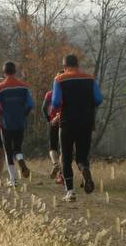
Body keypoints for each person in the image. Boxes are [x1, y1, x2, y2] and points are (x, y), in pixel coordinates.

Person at [52, 54, 103, 202]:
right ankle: (85, 170)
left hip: (67, 122)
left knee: (66, 157)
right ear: (78, 64)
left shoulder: (59, 79)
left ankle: (70, 191)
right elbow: (99, 99)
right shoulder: (89, 78)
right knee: (81, 157)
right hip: (86, 122)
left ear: (64, 66)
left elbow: (55, 102)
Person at [0, 61, 34, 187]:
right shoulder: (24, 86)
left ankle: (13, 179)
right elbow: (30, 104)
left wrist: (2, 112)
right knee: (18, 148)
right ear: (15, 71)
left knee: (8, 151)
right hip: (20, 122)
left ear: (4, 73)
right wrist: (23, 114)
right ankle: (21, 161)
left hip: (6, 123)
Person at [42, 84, 62, 179]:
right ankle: (61, 175)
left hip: (53, 122)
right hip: (65, 123)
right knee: (64, 149)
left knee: (53, 147)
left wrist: (49, 119)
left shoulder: (50, 94)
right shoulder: (68, 94)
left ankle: (55, 163)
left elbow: (44, 108)